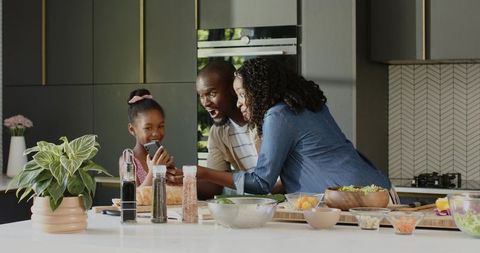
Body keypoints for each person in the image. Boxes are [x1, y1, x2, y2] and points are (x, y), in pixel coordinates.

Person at [168, 58, 391, 194]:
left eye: (242, 94)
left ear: (259, 90)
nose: (239, 102)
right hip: (375, 191)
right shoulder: (306, 105)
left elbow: (260, 183)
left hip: (357, 201)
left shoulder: (278, 115)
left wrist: (200, 171)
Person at [195, 61, 285, 198]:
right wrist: (183, 180)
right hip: (259, 203)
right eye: (201, 96)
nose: (205, 102)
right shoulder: (218, 133)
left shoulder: (270, 119)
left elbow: (283, 179)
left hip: (288, 200)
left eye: (212, 93)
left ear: (233, 88)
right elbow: (214, 185)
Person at [119, 88, 174, 187]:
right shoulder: (128, 160)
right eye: (148, 128)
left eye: (160, 126)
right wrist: (153, 171)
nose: (156, 133)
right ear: (132, 129)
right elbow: (134, 198)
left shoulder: (161, 158)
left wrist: (173, 176)